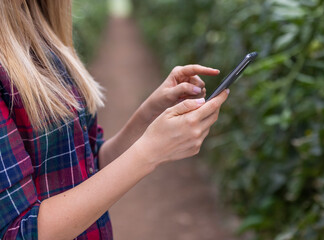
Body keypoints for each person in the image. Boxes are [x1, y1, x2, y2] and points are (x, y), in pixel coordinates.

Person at [0, 1, 229, 239]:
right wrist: (150, 151)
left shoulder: (45, 37)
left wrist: (149, 114)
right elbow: (18, 231)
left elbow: (88, 166)